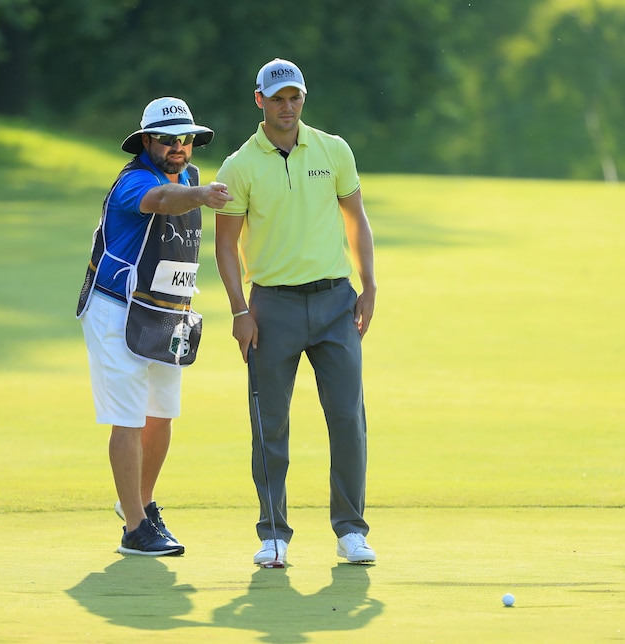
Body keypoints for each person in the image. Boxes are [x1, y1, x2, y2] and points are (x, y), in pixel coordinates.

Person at [214, 59, 378, 565]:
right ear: (259, 100)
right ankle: (274, 534)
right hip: (271, 306)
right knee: (269, 423)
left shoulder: (333, 150)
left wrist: (368, 285)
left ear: (303, 99)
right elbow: (225, 246)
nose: (288, 108)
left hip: (335, 301)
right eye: (278, 99)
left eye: (295, 98)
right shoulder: (239, 166)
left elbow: (357, 221)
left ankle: (351, 530)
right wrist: (239, 309)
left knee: (348, 417)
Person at [76, 97, 233, 556]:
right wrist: (202, 196)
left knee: (161, 413)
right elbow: (161, 200)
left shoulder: (191, 177)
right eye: (167, 139)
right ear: (146, 141)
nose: (177, 147)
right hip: (116, 309)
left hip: (167, 313)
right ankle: (133, 529)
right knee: (126, 418)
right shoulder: (134, 182)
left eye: (184, 138)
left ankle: (141, 506)